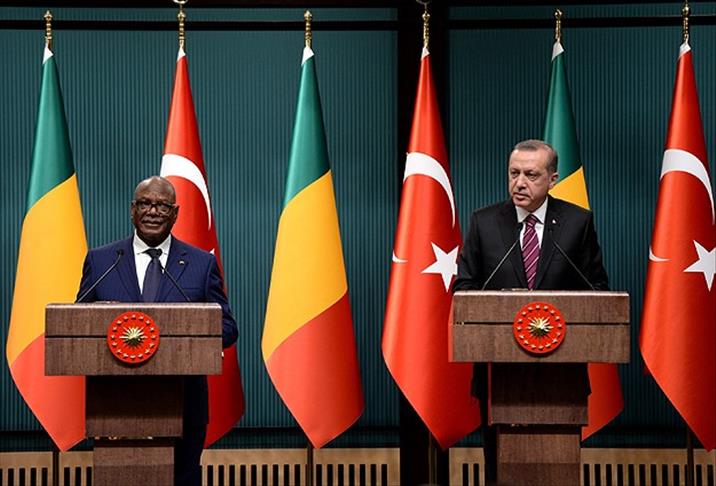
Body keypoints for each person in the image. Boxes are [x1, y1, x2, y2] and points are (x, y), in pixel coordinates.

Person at [453, 139, 609, 485]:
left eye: (531, 175)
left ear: (553, 179)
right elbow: (464, 289)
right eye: (514, 173)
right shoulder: (485, 222)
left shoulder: (577, 222)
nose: (519, 183)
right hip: (499, 373)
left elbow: (597, 289)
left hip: (561, 375)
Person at [76, 176, 238, 486]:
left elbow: (228, 328)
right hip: (115, 407)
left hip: (184, 406)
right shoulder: (101, 261)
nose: (153, 211)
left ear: (175, 214)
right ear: (132, 210)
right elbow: (77, 326)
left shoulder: (201, 264)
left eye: (162, 205)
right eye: (145, 204)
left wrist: (182, 326)